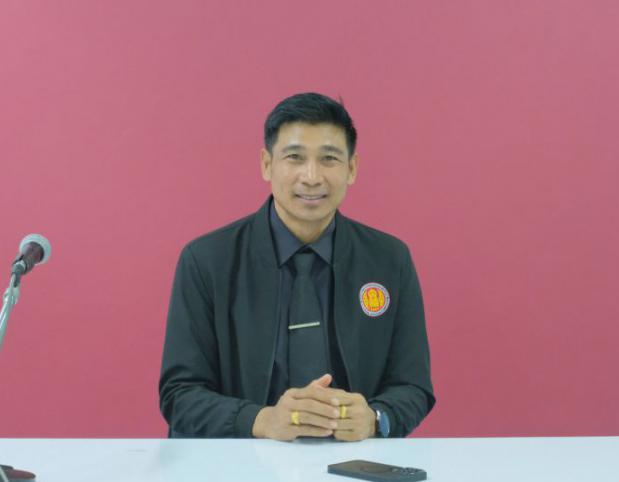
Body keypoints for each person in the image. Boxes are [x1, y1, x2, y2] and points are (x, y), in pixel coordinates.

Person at [159, 92, 435, 441]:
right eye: (295, 157)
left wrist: (375, 417)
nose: (312, 176)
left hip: (354, 461)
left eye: (329, 159)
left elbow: (413, 386)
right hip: (238, 464)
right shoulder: (206, 261)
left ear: (351, 169)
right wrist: (262, 420)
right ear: (266, 164)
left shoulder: (389, 259)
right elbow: (179, 394)